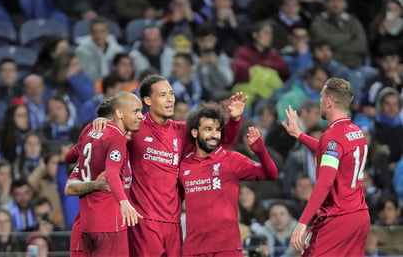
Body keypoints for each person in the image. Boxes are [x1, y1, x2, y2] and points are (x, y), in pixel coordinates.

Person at [93, 74, 246, 256]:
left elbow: (218, 142)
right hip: (145, 221)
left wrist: (234, 120)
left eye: (171, 94)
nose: (170, 99)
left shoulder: (181, 131)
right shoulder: (135, 127)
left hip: (173, 222)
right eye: (163, 94)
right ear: (148, 100)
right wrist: (103, 122)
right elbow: (106, 141)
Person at [282, 77, 370, 256]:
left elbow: (325, 183)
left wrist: (302, 222)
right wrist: (299, 134)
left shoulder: (333, 136)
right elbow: (331, 153)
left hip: (337, 218)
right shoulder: (355, 131)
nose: (319, 103)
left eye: (321, 98)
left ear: (328, 102)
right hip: (359, 216)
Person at [179, 103, 278, 256]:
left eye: (218, 130)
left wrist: (261, 151)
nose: (214, 135)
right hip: (194, 249)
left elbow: (271, 174)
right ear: (194, 132)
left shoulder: (231, 159)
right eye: (208, 129)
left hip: (227, 248)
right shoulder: (184, 165)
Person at [70, 91, 143, 256]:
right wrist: (96, 185)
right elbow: (70, 187)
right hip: (100, 225)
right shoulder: (102, 148)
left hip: (117, 224)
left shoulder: (130, 148)